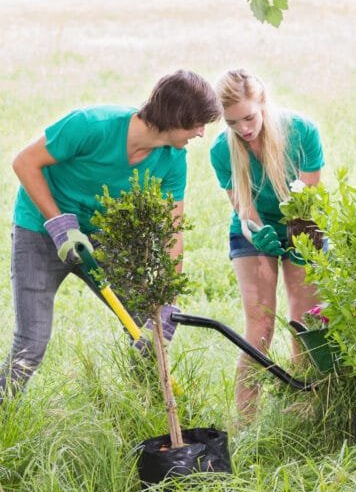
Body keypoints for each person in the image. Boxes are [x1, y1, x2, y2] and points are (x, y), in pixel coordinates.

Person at [2, 70, 222, 401]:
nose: (202, 133)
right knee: (30, 343)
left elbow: (172, 232)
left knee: (148, 329)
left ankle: (147, 407)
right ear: (176, 117)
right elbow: (24, 162)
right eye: (198, 124)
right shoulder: (92, 125)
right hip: (41, 231)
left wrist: (168, 299)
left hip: (101, 239)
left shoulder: (173, 160)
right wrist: (59, 224)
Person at [210, 69, 325, 417]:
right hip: (253, 228)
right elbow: (244, 209)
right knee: (260, 326)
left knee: (303, 323)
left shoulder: (302, 132)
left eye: (249, 117)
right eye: (233, 123)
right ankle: (246, 422)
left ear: (262, 103)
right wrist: (257, 233)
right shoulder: (222, 150)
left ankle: (304, 409)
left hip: (302, 224)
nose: (244, 129)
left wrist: (297, 239)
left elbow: (308, 202)